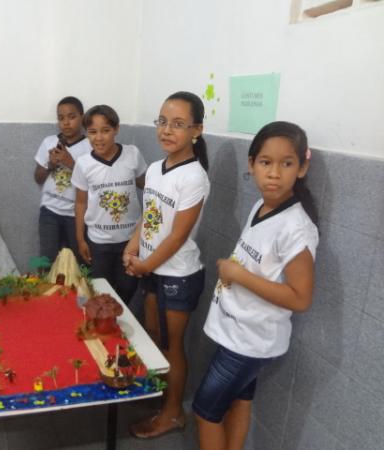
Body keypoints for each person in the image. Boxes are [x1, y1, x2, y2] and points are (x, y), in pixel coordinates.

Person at [192, 121, 319, 450]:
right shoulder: (261, 206)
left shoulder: (296, 229)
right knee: (240, 401)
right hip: (238, 329)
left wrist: (239, 275)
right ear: (252, 164)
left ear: (302, 167)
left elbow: (301, 298)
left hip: (249, 341)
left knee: (205, 412)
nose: (274, 174)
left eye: (286, 163)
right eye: (265, 162)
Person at [123, 92, 210, 438]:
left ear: (197, 130)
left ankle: (173, 413)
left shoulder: (194, 177)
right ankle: (160, 399)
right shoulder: (157, 169)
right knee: (156, 337)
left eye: (177, 124)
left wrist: (145, 266)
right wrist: (132, 247)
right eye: (162, 121)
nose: (166, 130)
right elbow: (150, 217)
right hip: (152, 269)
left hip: (178, 275)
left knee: (173, 346)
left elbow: (176, 237)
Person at [71, 105, 146, 304]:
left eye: (106, 130)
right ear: (87, 133)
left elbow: (146, 186)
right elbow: (80, 202)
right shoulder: (84, 163)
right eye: (93, 132)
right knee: (100, 291)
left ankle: (120, 324)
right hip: (98, 242)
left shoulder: (132, 154)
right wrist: (80, 238)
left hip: (129, 242)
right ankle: (104, 326)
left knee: (128, 288)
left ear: (117, 129)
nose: (99, 137)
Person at [34, 96, 92, 262]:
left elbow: (94, 182)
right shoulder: (49, 142)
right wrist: (50, 165)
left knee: (81, 259)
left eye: (71, 117)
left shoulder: (90, 146)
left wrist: (70, 162)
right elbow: (37, 177)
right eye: (61, 118)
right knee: (46, 258)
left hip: (77, 214)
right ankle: (45, 285)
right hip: (49, 211)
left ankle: (80, 288)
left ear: (82, 117)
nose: (66, 122)